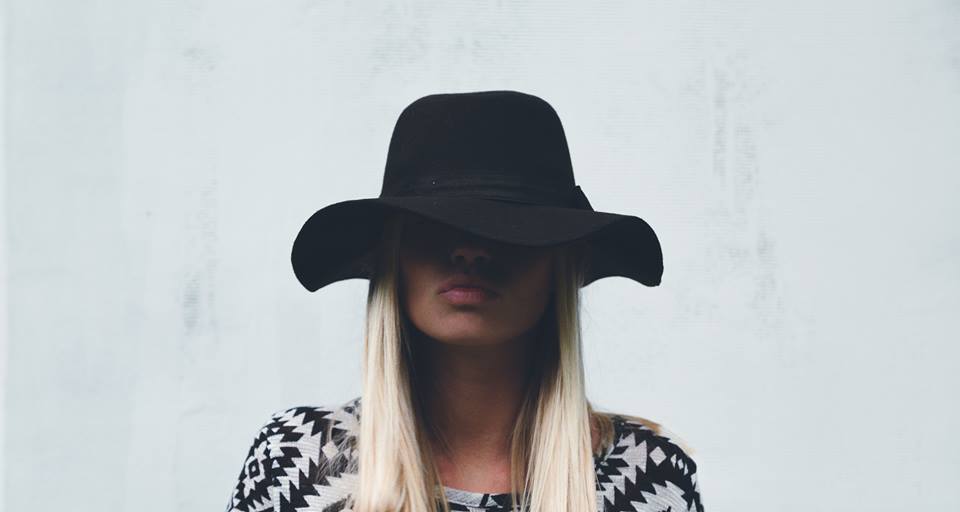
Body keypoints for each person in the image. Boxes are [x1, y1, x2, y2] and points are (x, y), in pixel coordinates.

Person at [224, 90, 705, 512]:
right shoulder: (299, 462)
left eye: (511, 227)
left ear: (561, 263)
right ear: (394, 256)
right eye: (433, 226)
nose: (470, 251)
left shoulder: (648, 476)